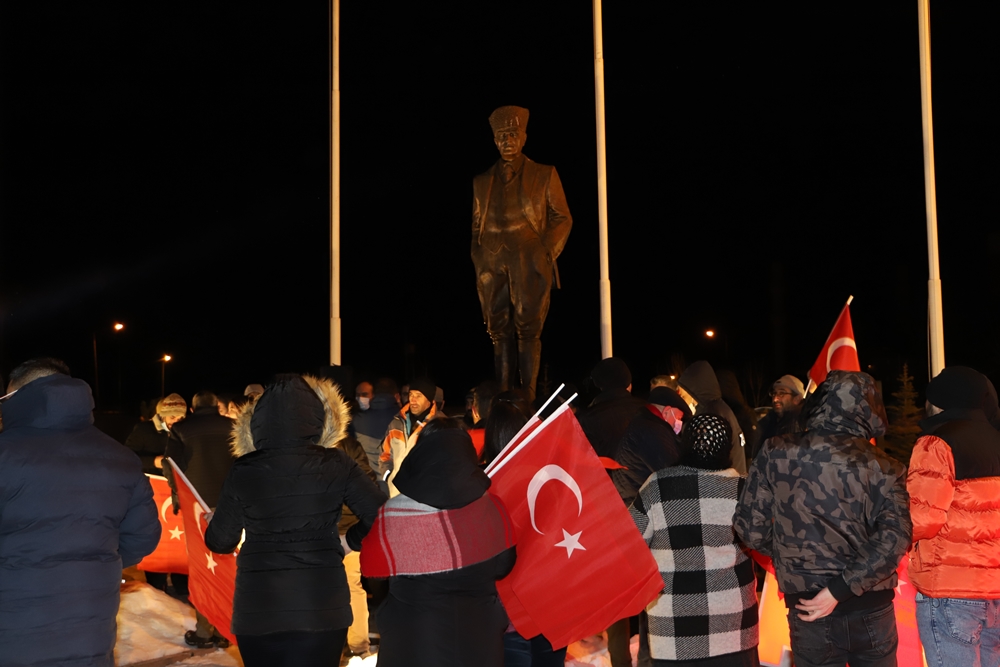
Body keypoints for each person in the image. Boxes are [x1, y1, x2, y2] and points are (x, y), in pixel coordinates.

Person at [205, 374, 386, 667]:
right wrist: (348, 541)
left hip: (259, 608)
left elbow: (220, 542)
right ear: (316, 418)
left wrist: (215, 521)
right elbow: (381, 516)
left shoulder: (244, 469)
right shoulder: (336, 462)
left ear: (258, 422)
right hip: (322, 607)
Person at [734, 371, 911, 667]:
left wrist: (791, 555)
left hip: (810, 604)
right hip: (869, 606)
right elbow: (895, 539)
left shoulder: (776, 452)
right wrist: (840, 587)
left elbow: (750, 528)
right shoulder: (885, 466)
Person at [0, 358, 161, 666]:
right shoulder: (120, 457)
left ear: (19, 396)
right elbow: (143, 538)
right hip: (90, 636)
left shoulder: (5, 454)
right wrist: (93, 563)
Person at [361, 419, 517, 667]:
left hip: (412, 640)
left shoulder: (394, 512)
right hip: (478, 639)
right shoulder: (491, 506)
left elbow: (372, 570)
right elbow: (504, 566)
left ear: (420, 454)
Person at [630, 413, 759, 666]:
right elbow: (762, 540)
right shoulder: (743, 488)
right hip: (734, 628)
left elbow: (630, 545)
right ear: (728, 448)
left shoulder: (657, 486)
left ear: (684, 443)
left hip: (673, 631)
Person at [472, 105, 573, 401]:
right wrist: (479, 255)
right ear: (495, 141)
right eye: (502, 136)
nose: (507, 141)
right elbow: (477, 225)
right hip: (491, 262)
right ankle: (504, 394)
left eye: (513, 134)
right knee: (498, 331)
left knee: (528, 329)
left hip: (529, 259)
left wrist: (545, 251)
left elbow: (562, 217)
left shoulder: (544, 173)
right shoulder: (481, 181)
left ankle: (527, 395)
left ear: (524, 138)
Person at [906, 366, 1000, 664]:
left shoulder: (937, 442)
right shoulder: (996, 437)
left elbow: (923, 519)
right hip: (995, 590)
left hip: (950, 589)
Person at [165, 390, 236, 648]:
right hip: (231, 507)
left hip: (197, 510)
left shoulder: (181, 429)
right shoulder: (233, 427)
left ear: (193, 409)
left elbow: (171, 466)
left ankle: (205, 631)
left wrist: (177, 497)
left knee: (204, 569)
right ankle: (227, 628)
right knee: (228, 567)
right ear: (217, 406)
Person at [611, 385, 691, 507]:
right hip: (641, 509)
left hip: (637, 502)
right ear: (667, 412)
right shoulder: (651, 432)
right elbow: (674, 474)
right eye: (678, 418)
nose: (678, 423)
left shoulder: (646, 424)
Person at [677, 360, 746, 473]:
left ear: (694, 392)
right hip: (732, 479)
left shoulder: (709, 415)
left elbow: (703, 461)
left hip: (721, 482)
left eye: (684, 396)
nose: (682, 401)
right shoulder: (719, 408)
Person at [379, 377, 440, 496]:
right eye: (411, 394)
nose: (413, 400)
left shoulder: (439, 425)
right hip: (396, 494)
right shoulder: (396, 422)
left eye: (418, 396)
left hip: (424, 497)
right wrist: (389, 477)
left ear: (429, 399)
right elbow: (384, 455)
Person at [577, 357, 647, 458]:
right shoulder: (647, 408)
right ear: (629, 383)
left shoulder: (588, 418)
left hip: (607, 468)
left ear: (598, 384)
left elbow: (583, 458)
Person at [353, 378, 400, 493]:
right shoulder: (402, 420)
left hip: (367, 485)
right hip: (395, 486)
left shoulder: (356, 421)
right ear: (396, 396)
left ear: (374, 394)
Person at [125, 392, 187, 475]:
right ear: (163, 416)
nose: (176, 423)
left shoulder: (183, 433)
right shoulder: (144, 429)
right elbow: (126, 458)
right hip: (147, 480)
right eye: (172, 417)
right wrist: (154, 461)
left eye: (180, 419)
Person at [750, 374, 804, 461]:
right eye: (774, 393)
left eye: (782, 393)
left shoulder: (801, 425)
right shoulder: (765, 424)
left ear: (797, 399)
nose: (775, 399)